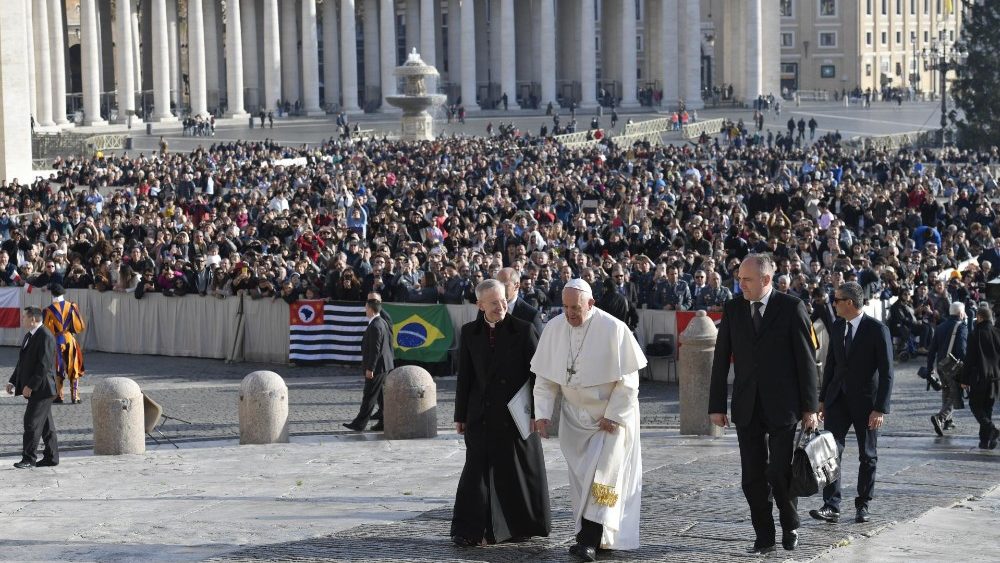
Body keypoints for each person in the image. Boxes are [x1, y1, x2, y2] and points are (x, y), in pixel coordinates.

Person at [709, 253, 819, 554]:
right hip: (747, 405)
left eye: (746, 280)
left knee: (780, 472)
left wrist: (810, 408)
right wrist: (717, 405)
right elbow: (721, 360)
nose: (740, 284)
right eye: (739, 279)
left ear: (766, 280)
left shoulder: (791, 307)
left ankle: (790, 522)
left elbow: (807, 361)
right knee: (752, 477)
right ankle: (764, 536)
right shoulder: (733, 309)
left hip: (784, 405)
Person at [532, 279, 646, 561]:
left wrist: (614, 415)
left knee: (603, 479)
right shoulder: (555, 327)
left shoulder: (614, 329)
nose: (570, 313)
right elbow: (545, 379)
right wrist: (542, 414)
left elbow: (629, 381)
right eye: (566, 307)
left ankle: (588, 541)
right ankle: (593, 535)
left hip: (609, 420)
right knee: (582, 481)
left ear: (591, 304)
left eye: (576, 308)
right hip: (574, 419)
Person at [451, 279, 551, 547]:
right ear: (480, 304)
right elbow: (465, 378)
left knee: (512, 473)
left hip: (514, 416)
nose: (500, 306)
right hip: (480, 415)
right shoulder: (470, 332)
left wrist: (535, 412)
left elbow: (537, 376)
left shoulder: (524, 329)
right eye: (493, 302)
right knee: (475, 473)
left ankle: (518, 526)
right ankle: (470, 529)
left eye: (503, 300)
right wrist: (460, 415)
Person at [809, 282, 894, 525]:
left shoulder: (877, 329)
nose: (832, 304)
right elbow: (831, 366)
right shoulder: (837, 326)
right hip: (838, 400)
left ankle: (863, 504)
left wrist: (880, 408)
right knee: (829, 452)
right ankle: (831, 505)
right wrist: (823, 399)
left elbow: (887, 372)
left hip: (867, 403)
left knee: (867, 455)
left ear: (849, 303)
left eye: (836, 300)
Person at [7, 307, 59, 468]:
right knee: (46, 426)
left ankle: (28, 459)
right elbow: (23, 362)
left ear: (33, 319)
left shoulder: (45, 336)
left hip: (42, 389)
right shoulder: (30, 335)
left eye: (24, 317)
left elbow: (43, 366)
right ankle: (51, 457)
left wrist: (30, 386)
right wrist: (13, 381)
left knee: (31, 422)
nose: (22, 320)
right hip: (39, 388)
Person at [343, 298, 394, 432]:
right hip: (384, 366)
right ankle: (385, 421)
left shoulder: (376, 325)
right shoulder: (381, 322)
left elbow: (375, 349)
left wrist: (370, 368)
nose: (365, 310)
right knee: (381, 397)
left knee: (369, 396)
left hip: (377, 367)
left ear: (371, 309)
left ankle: (359, 424)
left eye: (366, 308)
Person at [959, 302, 1000, 449]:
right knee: (987, 408)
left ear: (979, 317)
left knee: (975, 406)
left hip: (979, 377)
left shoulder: (975, 334)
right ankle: (985, 440)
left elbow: (969, 359)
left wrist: (964, 380)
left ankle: (992, 430)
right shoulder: (997, 333)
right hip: (995, 378)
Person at [926, 302, 968, 436]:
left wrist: (929, 368)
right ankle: (940, 417)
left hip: (941, 365)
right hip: (954, 366)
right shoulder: (961, 327)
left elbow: (932, 350)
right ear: (961, 313)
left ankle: (948, 421)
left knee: (946, 391)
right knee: (955, 394)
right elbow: (962, 349)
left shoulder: (940, 327)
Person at [44, 283, 86, 404]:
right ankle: (75, 396)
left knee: (58, 367)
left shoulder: (48, 310)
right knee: (74, 366)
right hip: (69, 338)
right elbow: (79, 326)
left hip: (57, 340)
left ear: (52, 294)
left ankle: (59, 395)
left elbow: (47, 328)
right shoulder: (72, 306)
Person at [496, 267, 543, 335]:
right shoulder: (488, 309)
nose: (499, 289)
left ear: (517, 285)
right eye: (497, 284)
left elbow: (536, 344)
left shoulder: (531, 315)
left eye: (504, 285)